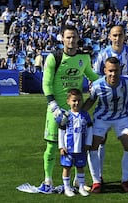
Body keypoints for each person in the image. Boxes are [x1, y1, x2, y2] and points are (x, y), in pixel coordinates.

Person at [38, 24, 99, 194]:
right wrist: (53, 105)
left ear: (79, 37)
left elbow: (92, 77)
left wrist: (107, 82)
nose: (71, 40)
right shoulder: (53, 57)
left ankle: (77, 182)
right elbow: (46, 83)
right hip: (56, 110)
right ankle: (48, 179)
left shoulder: (84, 58)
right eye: (68, 37)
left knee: (78, 147)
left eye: (74, 37)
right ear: (62, 38)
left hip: (76, 112)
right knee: (52, 146)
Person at [91, 25, 128, 186]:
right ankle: (99, 175)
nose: (117, 38)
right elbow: (96, 76)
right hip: (105, 104)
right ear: (110, 36)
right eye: (114, 35)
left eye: (120, 35)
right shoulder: (103, 54)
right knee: (101, 140)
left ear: (124, 36)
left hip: (126, 104)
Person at [82, 57, 128, 193]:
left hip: (121, 117)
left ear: (120, 70)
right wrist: (78, 114)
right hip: (102, 118)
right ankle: (96, 181)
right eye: (110, 71)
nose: (113, 74)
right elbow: (91, 100)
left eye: (116, 70)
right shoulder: (97, 85)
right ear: (105, 71)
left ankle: (125, 180)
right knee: (93, 145)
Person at [58, 89, 93, 197]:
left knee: (80, 167)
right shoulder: (66, 115)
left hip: (81, 147)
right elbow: (61, 131)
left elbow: (90, 129)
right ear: (68, 101)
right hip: (68, 148)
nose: (76, 103)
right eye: (74, 101)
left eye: (79, 100)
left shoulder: (85, 115)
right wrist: (61, 146)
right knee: (67, 167)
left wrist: (88, 143)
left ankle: (81, 186)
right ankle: (67, 188)